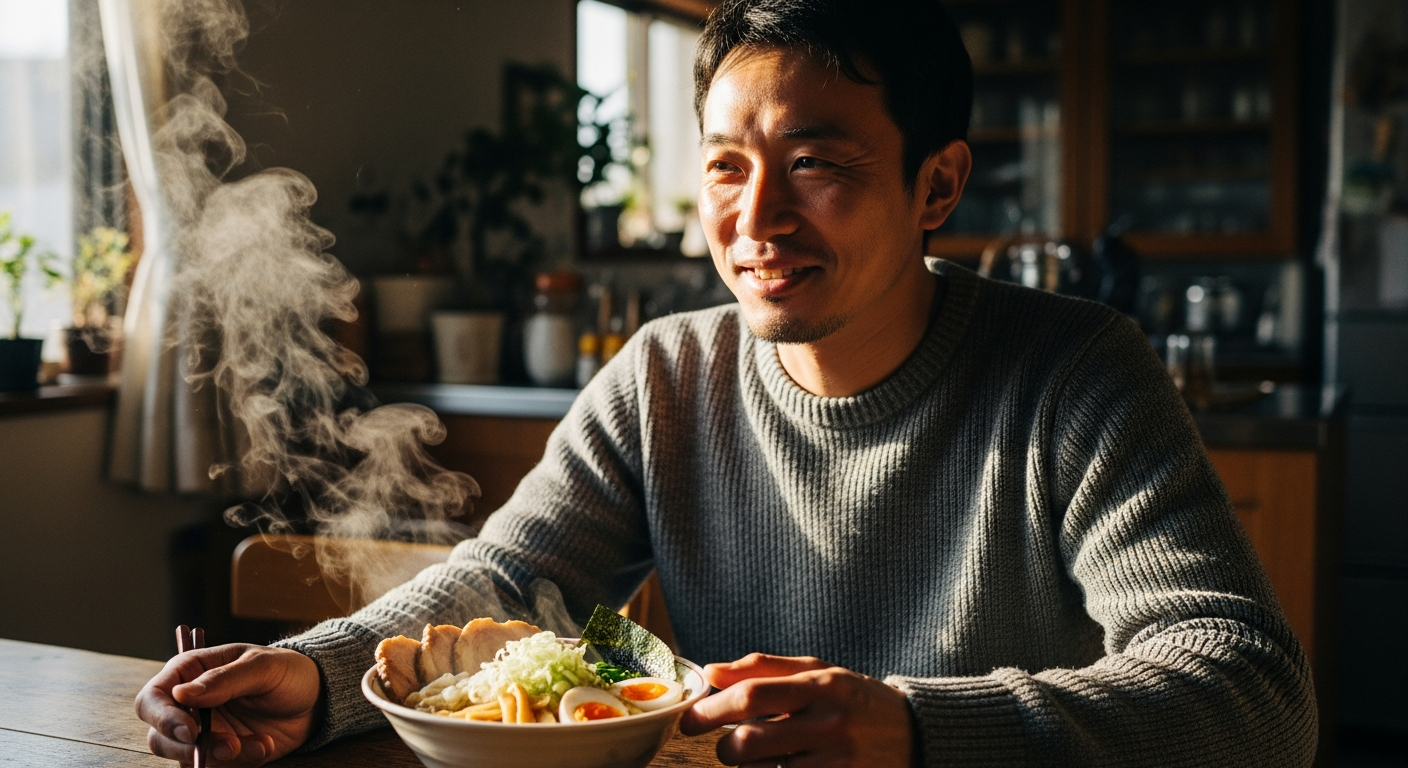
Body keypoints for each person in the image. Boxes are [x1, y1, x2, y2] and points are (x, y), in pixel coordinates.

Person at [135, 0, 1318, 765]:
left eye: (815, 165)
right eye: (725, 167)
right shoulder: (667, 373)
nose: (754, 221)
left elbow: (1251, 693)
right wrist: (317, 669)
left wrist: (909, 728)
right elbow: (508, 578)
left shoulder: (1074, 374)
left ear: (937, 187)